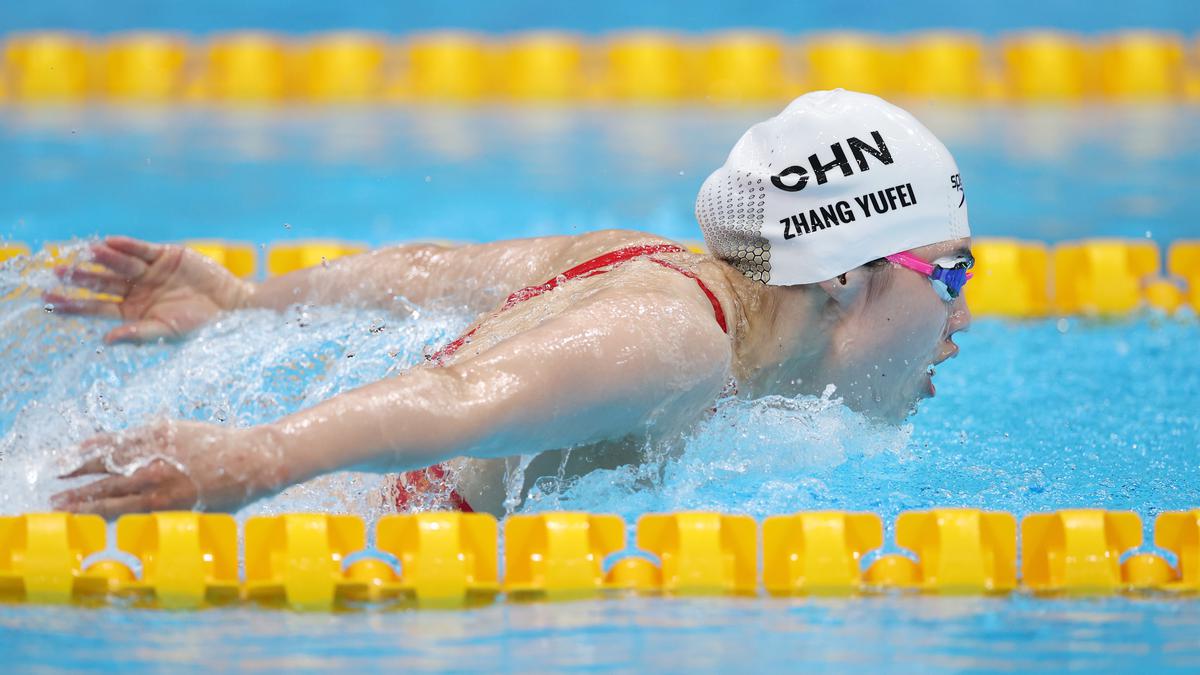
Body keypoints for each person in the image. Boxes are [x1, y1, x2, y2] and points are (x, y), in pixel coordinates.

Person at [48, 90, 973, 518]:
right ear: (843, 274)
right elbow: (457, 395)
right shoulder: (672, 340)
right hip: (346, 557)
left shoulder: (644, 265)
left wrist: (245, 303)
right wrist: (251, 459)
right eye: (951, 276)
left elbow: (431, 271)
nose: (961, 319)